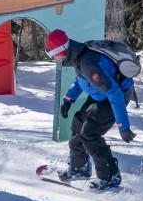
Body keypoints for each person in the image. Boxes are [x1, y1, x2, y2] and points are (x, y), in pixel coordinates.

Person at [45, 29, 136, 190]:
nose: (53, 58)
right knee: (77, 125)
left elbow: (114, 91)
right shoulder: (78, 56)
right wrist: (68, 100)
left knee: (90, 133)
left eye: (53, 54)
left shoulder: (88, 62)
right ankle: (79, 167)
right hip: (99, 95)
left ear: (62, 51)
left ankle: (110, 176)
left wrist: (123, 126)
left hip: (114, 97)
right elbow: (80, 80)